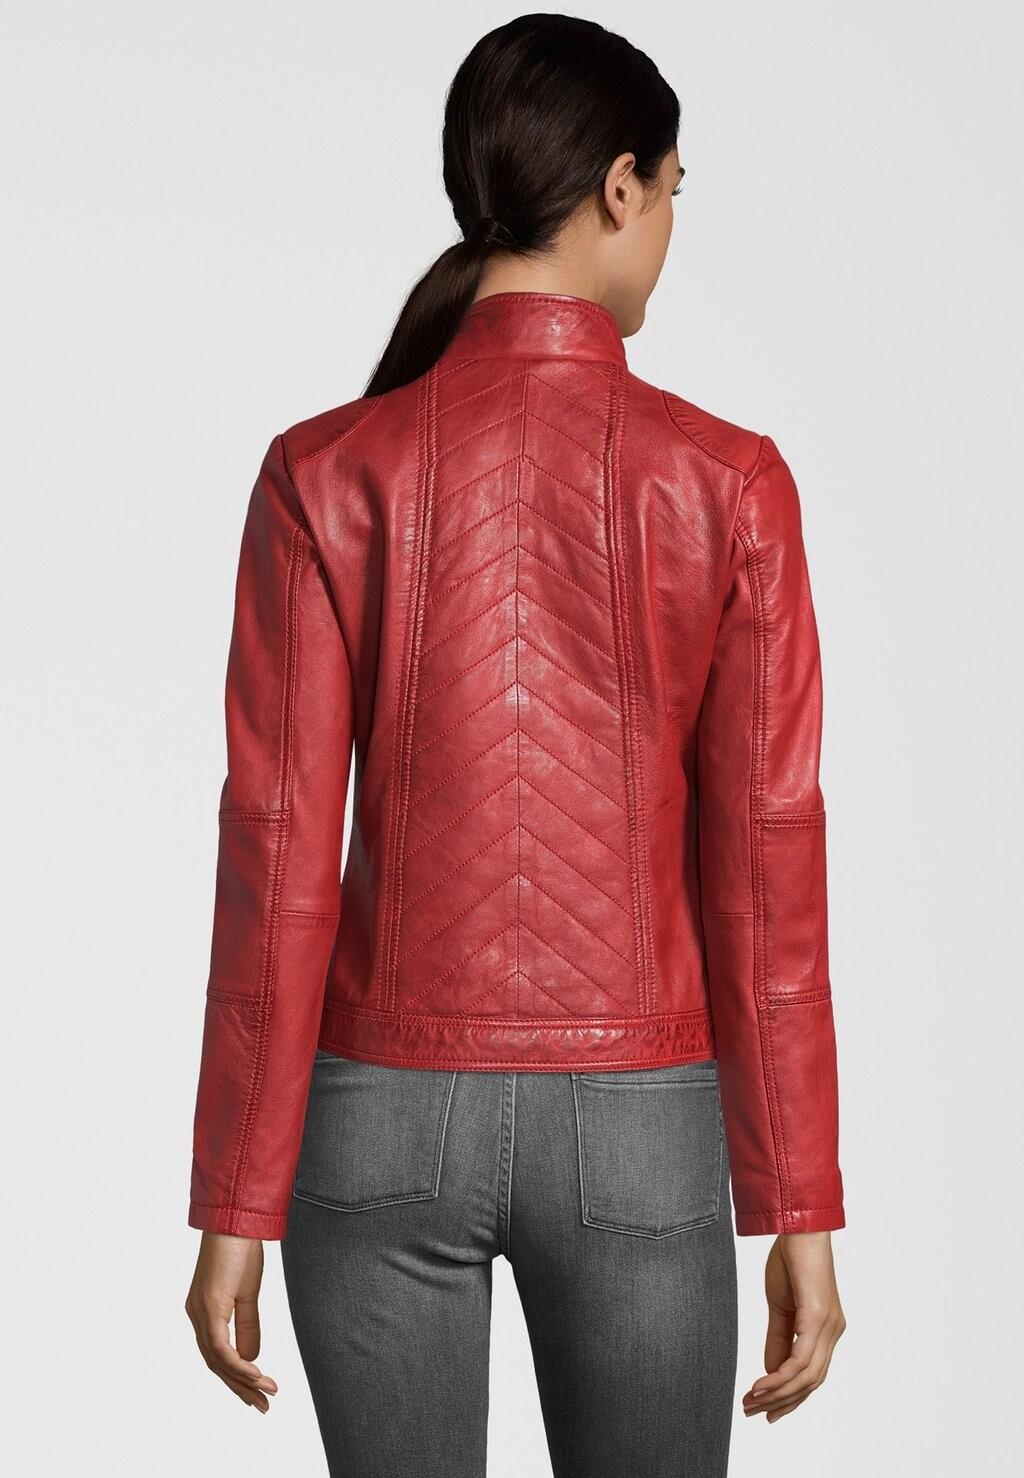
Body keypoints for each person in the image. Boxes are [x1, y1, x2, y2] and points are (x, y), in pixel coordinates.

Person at [185, 13, 846, 1474]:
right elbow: (767, 868)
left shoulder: (324, 472)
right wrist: (798, 1201)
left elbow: (276, 857)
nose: (669, 228)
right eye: (673, 191)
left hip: (372, 1121)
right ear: (618, 187)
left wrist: (235, 1196)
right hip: (642, 1133)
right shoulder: (730, 483)